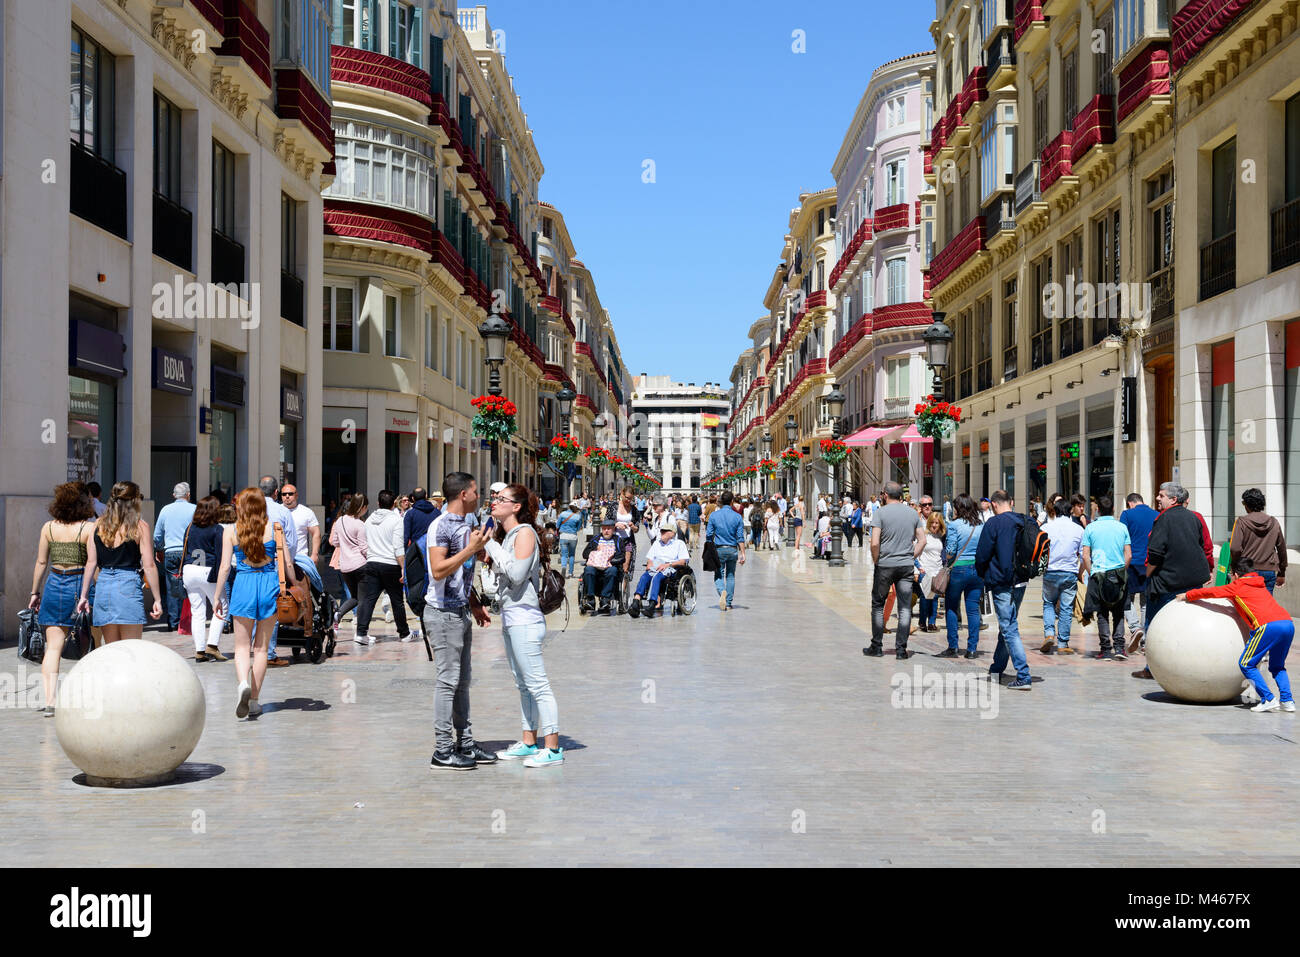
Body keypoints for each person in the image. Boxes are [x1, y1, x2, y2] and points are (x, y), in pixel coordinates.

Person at [484, 483, 564, 766]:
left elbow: (517, 573)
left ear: (516, 506)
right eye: (494, 497)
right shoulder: (508, 535)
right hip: (511, 616)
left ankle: (553, 749)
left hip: (526, 620)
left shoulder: (525, 533)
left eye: (501, 499)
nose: (494, 502)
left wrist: (489, 544)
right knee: (523, 684)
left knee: (538, 684)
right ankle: (529, 741)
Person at [425, 472, 495, 770]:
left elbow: (461, 572)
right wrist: (471, 550)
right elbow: (439, 570)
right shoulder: (440, 525)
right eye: (476, 491)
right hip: (441, 614)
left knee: (462, 682)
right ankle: (442, 751)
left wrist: (475, 603)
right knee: (447, 682)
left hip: (460, 611)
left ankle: (464, 742)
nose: (479, 496)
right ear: (463, 494)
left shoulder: (465, 525)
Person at [1178, 557, 1295, 713]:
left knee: (1246, 663)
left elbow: (1211, 592)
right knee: (1277, 666)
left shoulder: (1237, 586)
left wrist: (1188, 595)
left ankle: (1268, 699)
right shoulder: (1259, 584)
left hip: (1267, 626)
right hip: (1287, 623)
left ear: (1236, 575)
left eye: (1231, 575)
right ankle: (1288, 701)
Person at [212, 488, 283, 719]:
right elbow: (287, 564)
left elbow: (224, 567)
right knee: (261, 648)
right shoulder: (274, 529)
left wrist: (217, 595)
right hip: (269, 585)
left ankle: (243, 683)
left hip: (243, 583)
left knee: (241, 647)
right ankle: (254, 701)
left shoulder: (231, 531)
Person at [28, 482, 97, 716]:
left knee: (53, 647)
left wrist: (34, 592)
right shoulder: (89, 528)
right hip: (79, 585)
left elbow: (41, 562)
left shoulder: (48, 527)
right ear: (82, 503)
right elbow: (92, 563)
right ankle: (88, 695)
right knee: (87, 643)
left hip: (54, 584)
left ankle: (50, 701)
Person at [1135, 481, 1214, 679]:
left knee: (1155, 625)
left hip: (1167, 582)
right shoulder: (1194, 518)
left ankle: (1152, 668)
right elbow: (1204, 546)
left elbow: (1155, 553)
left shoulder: (1164, 519)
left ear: (1173, 499)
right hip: (1193, 581)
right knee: (1188, 626)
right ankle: (1188, 666)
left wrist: (1148, 573)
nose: (1157, 499)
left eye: (1161, 495)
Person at [76, 481, 163, 643]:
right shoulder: (139, 526)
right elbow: (149, 565)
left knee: (112, 648)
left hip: (103, 586)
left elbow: (91, 563)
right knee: (131, 647)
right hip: (128, 584)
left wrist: (84, 595)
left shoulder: (98, 525)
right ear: (134, 501)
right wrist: (157, 599)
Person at [975, 490, 1033, 690]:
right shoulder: (1026, 521)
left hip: (1002, 582)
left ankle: (1023, 675)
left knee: (1009, 628)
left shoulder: (993, 523)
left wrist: (982, 574)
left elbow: (982, 554)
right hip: (1021, 581)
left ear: (993, 504)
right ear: (1012, 501)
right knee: (1007, 626)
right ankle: (997, 668)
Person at [864, 482, 926, 659]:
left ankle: (876, 646)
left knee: (878, 604)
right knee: (905, 608)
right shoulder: (912, 513)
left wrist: (877, 560)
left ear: (884, 495)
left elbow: (874, 542)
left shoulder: (880, 513)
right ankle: (901, 650)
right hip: (905, 566)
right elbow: (922, 541)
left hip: (885, 565)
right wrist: (910, 556)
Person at [354, 490, 411, 645]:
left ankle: (361, 632)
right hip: (390, 564)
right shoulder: (397, 520)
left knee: (369, 599)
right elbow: (398, 548)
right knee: (397, 600)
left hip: (372, 563)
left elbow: (364, 541)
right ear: (394, 504)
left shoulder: (369, 519)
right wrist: (403, 568)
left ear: (378, 503)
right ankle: (404, 633)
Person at [1080, 495, 1132, 660]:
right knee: (1118, 613)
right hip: (1118, 574)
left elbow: (1086, 556)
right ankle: (1119, 648)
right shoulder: (1122, 527)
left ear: (1097, 511)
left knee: (1102, 613)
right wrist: (1122, 570)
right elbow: (1128, 554)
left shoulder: (1090, 528)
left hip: (1098, 574)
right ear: (1113, 510)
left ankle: (1106, 650)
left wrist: (1091, 572)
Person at [181, 495, 230, 663]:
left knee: (198, 612)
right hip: (207, 570)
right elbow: (219, 555)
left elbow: (185, 549)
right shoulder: (217, 529)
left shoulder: (190, 527)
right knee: (221, 606)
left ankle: (199, 650)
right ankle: (213, 646)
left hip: (189, 570)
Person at [258, 475, 298, 667]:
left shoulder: (250, 509)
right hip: (274, 564)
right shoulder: (281, 511)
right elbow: (290, 542)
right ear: (276, 492)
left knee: (252, 609)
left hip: (247, 564)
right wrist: (289, 565)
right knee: (270, 610)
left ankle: (257, 650)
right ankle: (269, 653)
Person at [1039, 497, 1084, 656]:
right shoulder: (1078, 529)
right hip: (1069, 573)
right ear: (1070, 511)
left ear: (1055, 511)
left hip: (1050, 571)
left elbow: (1040, 551)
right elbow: (1084, 556)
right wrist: (1080, 573)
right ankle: (1063, 643)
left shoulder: (1045, 528)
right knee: (1066, 608)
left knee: (1048, 603)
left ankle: (1049, 634)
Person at [153, 482, 196, 631]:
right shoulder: (194, 509)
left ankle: (173, 622)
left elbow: (157, 535)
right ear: (188, 495)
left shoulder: (166, 510)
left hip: (170, 552)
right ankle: (188, 621)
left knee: (172, 587)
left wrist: (159, 549)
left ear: (173, 495)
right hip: (189, 553)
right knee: (191, 586)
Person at [1120, 492, 1158, 652]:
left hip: (1131, 562)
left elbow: (1122, 537)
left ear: (1130, 503)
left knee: (1125, 598)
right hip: (1149, 563)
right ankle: (1144, 638)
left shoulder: (1127, 514)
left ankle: (1135, 628)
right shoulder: (1157, 515)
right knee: (1145, 601)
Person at [1229, 488, 1287, 594]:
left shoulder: (1241, 522)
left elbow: (1235, 548)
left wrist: (1234, 569)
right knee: (1266, 606)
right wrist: (1282, 572)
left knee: (1247, 606)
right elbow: (1282, 549)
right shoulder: (1274, 522)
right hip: (1269, 571)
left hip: (1247, 571)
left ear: (1246, 504)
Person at [629, 519, 690, 619]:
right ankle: (636, 601)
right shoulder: (657, 543)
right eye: (661, 531)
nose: (661, 533)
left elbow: (683, 561)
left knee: (657, 577)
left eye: (664, 531)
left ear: (672, 533)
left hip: (672, 568)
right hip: (656, 566)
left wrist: (668, 565)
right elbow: (650, 558)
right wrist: (650, 564)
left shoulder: (679, 544)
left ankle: (652, 604)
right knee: (645, 576)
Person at [330, 493, 369, 629]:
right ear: (362, 507)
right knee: (363, 599)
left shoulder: (339, 521)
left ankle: (338, 614)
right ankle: (362, 631)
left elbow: (334, 542)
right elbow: (364, 548)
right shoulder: (360, 524)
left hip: (345, 566)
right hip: (360, 565)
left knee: (354, 597)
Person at [280, 483, 324, 594]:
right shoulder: (277, 512)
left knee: (305, 594)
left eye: (290, 494)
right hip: (279, 561)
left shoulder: (306, 512)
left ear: (296, 495)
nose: (287, 496)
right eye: (284, 494)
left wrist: (314, 554)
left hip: (300, 561)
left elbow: (316, 533)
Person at [706, 490, 746, 611]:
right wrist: (743, 553)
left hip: (718, 549)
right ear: (732, 501)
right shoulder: (737, 517)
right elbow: (740, 537)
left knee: (718, 574)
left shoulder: (714, 515)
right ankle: (728, 603)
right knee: (730, 576)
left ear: (721, 501)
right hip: (732, 549)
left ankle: (722, 591)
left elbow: (709, 534)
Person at [581, 516, 630, 614]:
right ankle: (590, 599)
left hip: (609, 566)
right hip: (595, 566)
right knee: (588, 570)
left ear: (613, 529)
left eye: (609, 529)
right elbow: (585, 553)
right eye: (604, 529)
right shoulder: (595, 539)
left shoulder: (617, 540)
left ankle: (605, 599)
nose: (606, 531)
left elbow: (621, 556)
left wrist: (609, 561)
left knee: (612, 571)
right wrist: (596, 552)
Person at [915, 512, 945, 633]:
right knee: (925, 596)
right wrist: (917, 569)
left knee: (935, 596)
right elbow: (915, 552)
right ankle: (922, 621)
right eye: (932, 522)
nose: (934, 525)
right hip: (925, 569)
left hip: (937, 570)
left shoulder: (942, 536)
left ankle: (932, 622)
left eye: (936, 523)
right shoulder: (924, 535)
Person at [556, 502, 583, 577]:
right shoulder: (578, 516)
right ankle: (570, 572)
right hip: (573, 537)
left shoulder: (562, 514)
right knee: (571, 555)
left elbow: (557, 525)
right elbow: (578, 528)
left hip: (563, 535)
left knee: (564, 555)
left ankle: (564, 566)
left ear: (569, 507)